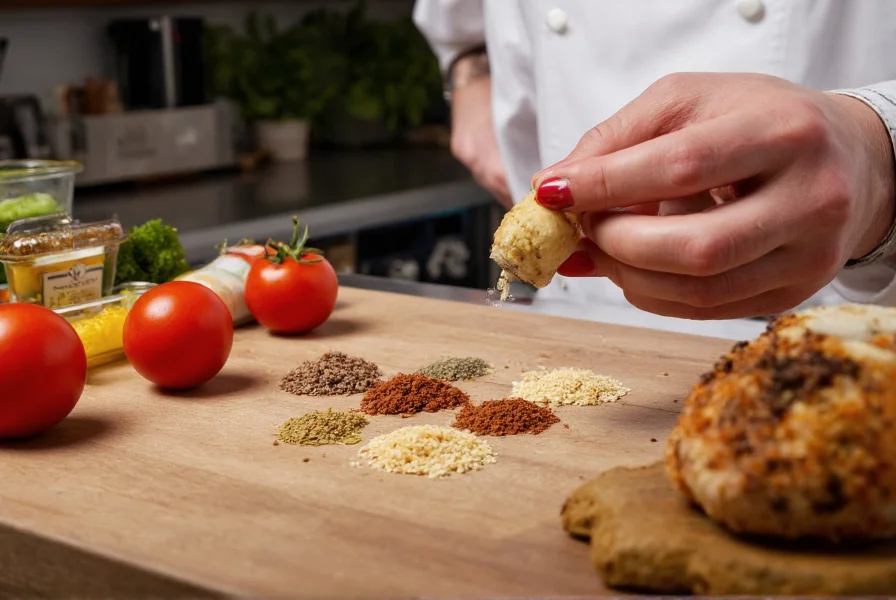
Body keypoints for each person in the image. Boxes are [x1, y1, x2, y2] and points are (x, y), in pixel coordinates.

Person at [412, 1, 896, 325]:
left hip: (832, 311)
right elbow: (459, 20)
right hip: (575, 317)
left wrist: (878, 154)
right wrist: (468, 70)